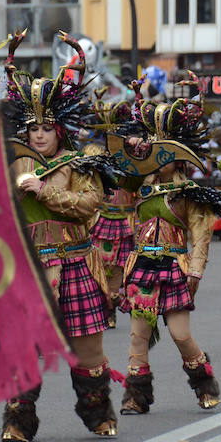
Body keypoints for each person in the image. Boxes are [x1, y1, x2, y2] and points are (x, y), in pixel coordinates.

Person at [1, 31, 120, 442]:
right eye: (32, 128)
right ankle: (17, 422)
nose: (38, 135)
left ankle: (98, 415)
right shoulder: (12, 165)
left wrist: (43, 191)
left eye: (47, 128)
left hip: (75, 264)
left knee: (88, 353)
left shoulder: (81, 163)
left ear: (61, 130)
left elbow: (89, 205)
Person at [118, 81, 221, 415]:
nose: (155, 154)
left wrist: (196, 271)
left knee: (180, 335)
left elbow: (201, 236)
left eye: (161, 149)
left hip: (174, 268)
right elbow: (119, 179)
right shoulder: (139, 183)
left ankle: (205, 384)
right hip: (142, 266)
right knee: (138, 336)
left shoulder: (190, 192)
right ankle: (136, 397)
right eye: (152, 147)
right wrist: (131, 148)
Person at [86, 98, 135, 328]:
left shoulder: (132, 155)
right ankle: (102, 305)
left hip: (126, 219)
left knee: (119, 268)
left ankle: (112, 306)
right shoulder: (92, 151)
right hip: (101, 218)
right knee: (98, 265)